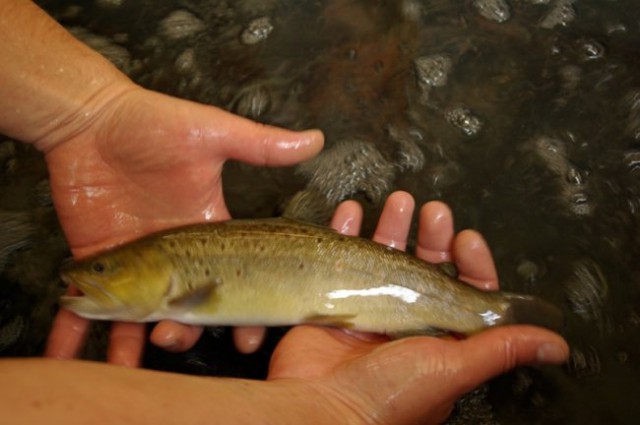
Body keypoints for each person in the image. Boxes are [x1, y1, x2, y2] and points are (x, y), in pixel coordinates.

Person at [0, 1, 569, 423]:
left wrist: (93, 113)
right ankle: (490, 314)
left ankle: (489, 313)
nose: (84, 273)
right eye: (100, 269)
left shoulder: (179, 283)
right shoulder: (173, 278)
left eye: (102, 269)